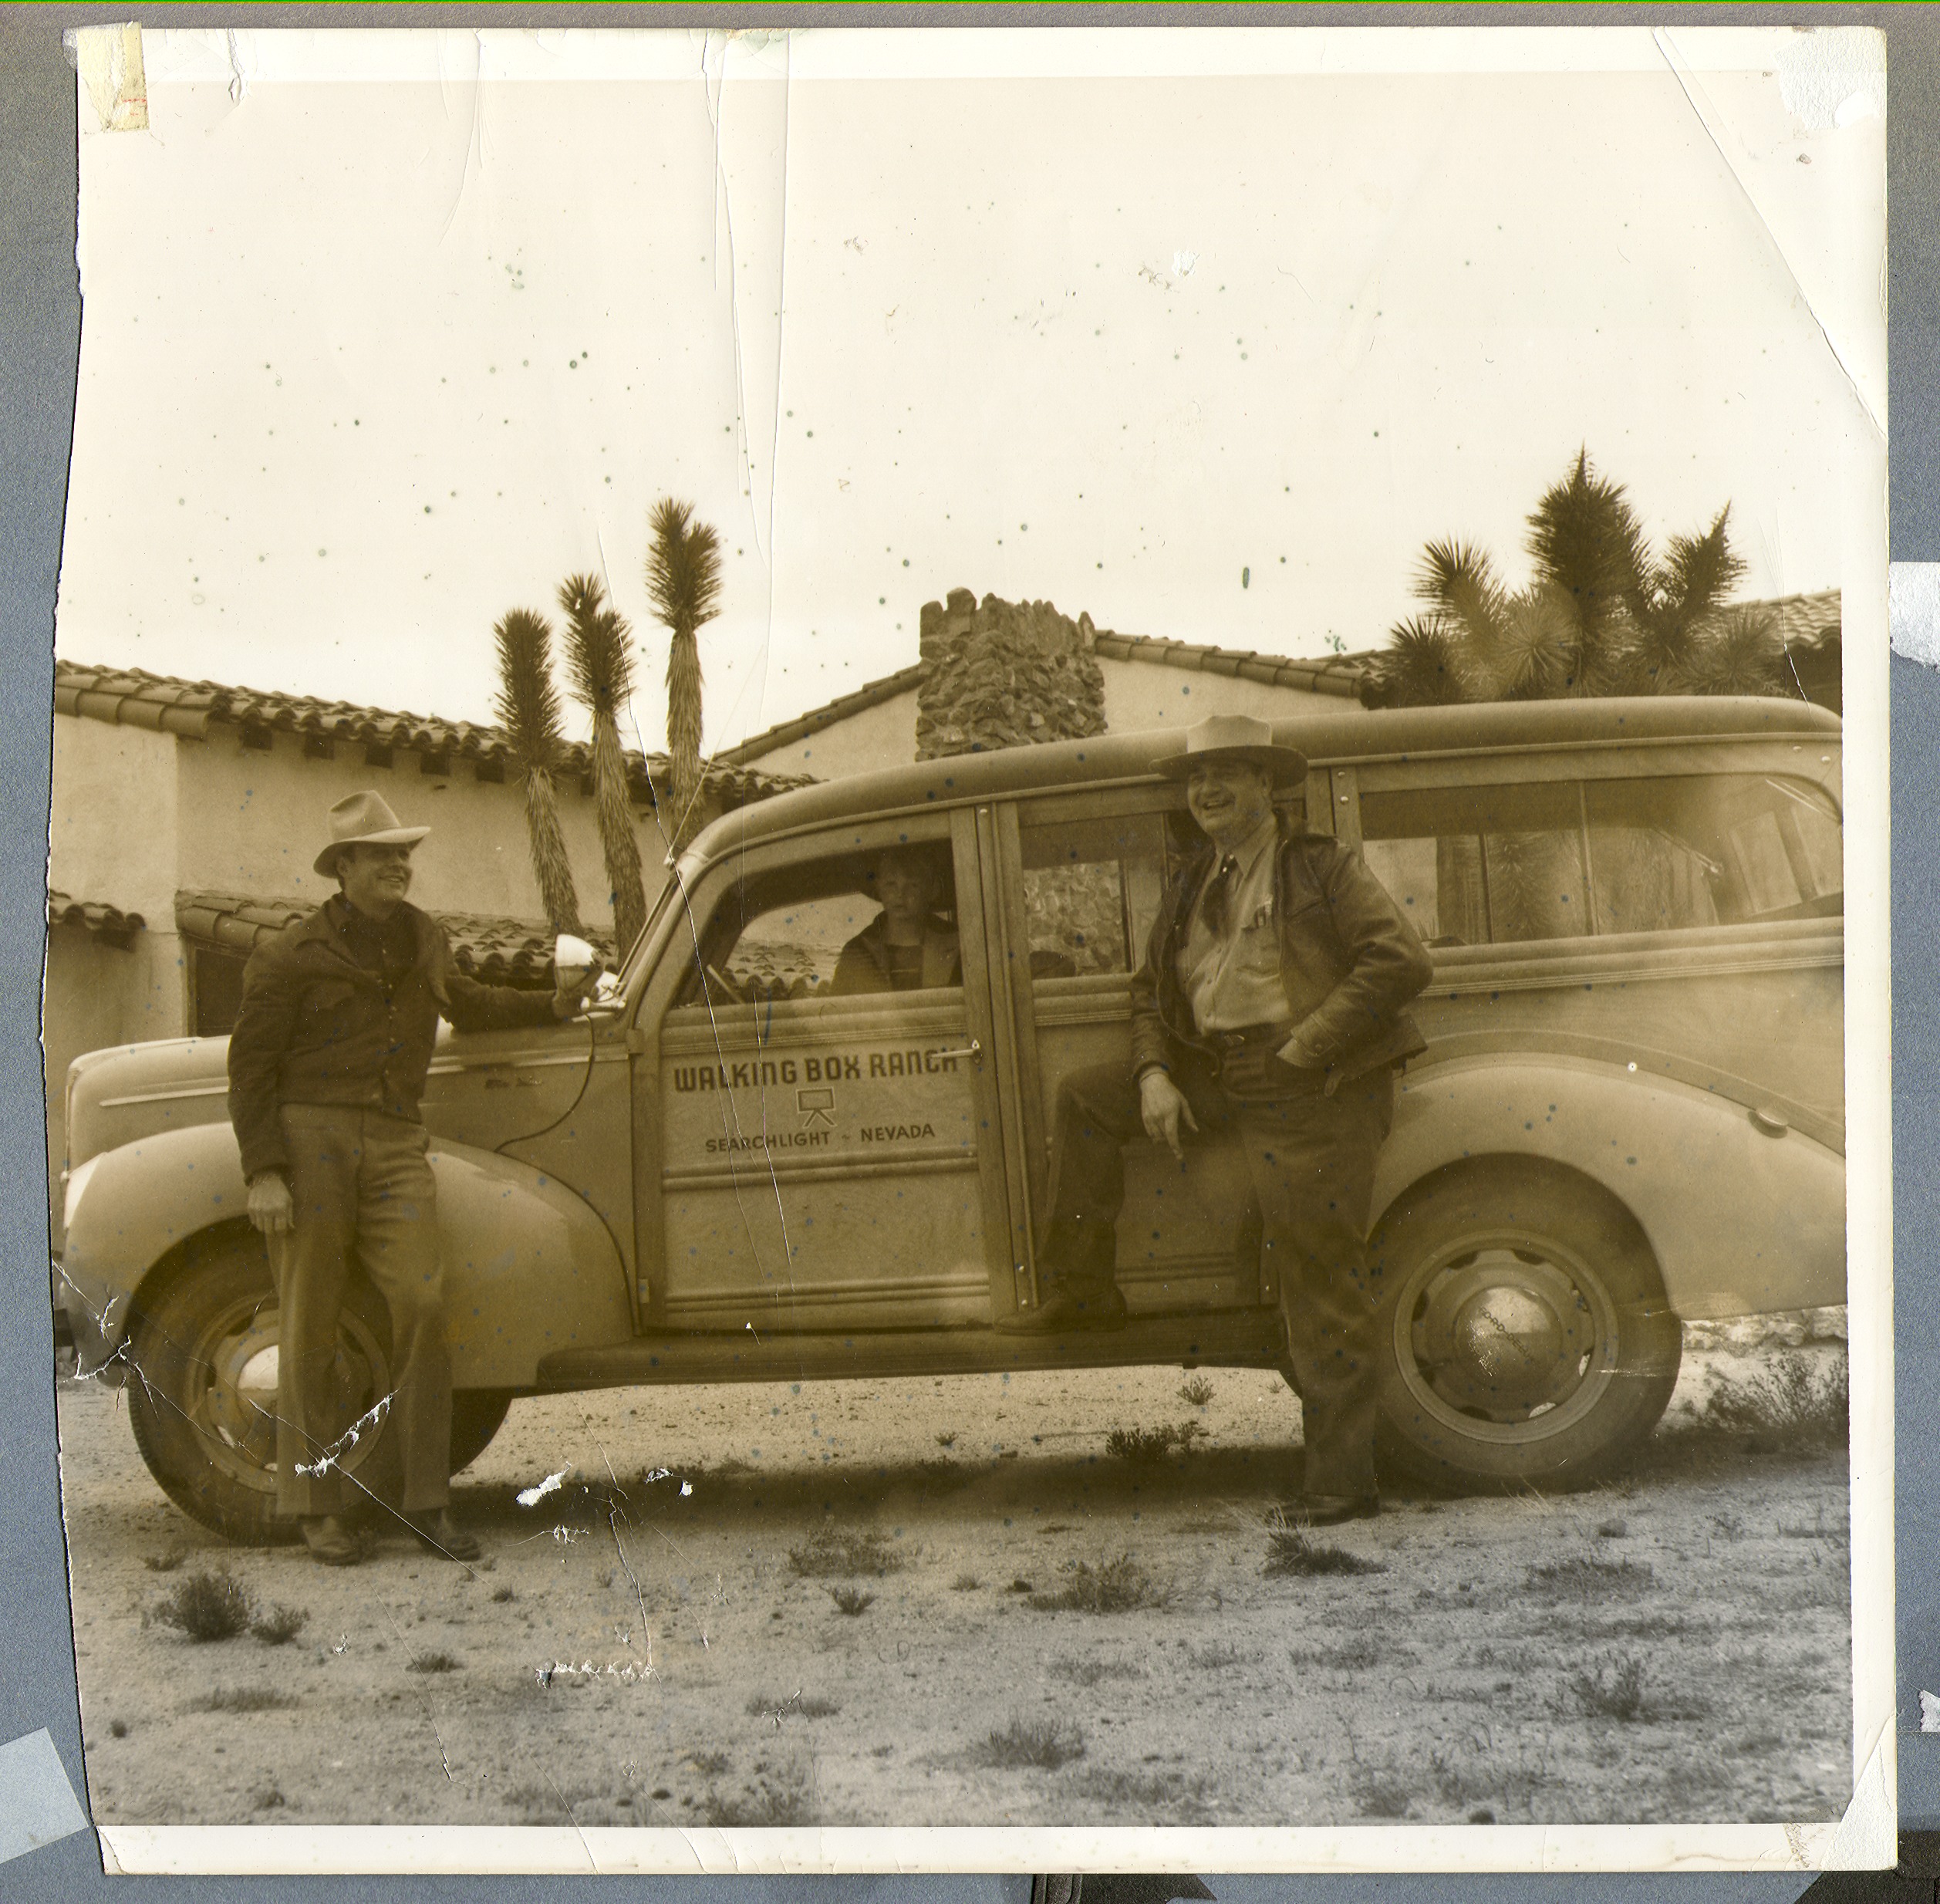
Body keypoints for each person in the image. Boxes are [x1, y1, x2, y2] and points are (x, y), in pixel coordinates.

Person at [999, 714, 1434, 1525]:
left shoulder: (1319, 867)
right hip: (1220, 1072)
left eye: (1227, 772)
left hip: (1312, 1084)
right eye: (1196, 777)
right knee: (1088, 1096)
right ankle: (1085, 1290)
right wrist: (1155, 1070)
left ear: (1267, 786)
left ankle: (1342, 1481)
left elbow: (1401, 961)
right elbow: (1145, 991)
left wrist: (1308, 1044)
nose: (1206, 789)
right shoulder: (1196, 878)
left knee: (1317, 1271)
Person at [227, 791, 595, 1567]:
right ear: (345, 867)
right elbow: (251, 1066)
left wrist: (554, 1006)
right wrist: (264, 1169)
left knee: (422, 1303)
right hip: (310, 1137)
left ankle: (426, 1502)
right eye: (383, 854)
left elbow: (470, 1002)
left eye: (405, 853)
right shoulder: (292, 952)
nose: (400, 864)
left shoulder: (425, 936)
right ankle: (316, 1507)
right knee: (310, 1321)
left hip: (396, 1139)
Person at [828, 846, 961, 994]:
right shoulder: (857, 950)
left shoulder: (959, 943)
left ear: (933, 889)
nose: (900, 894)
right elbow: (838, 1014)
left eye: (913, 885)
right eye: (891, 885)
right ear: (878, 888)